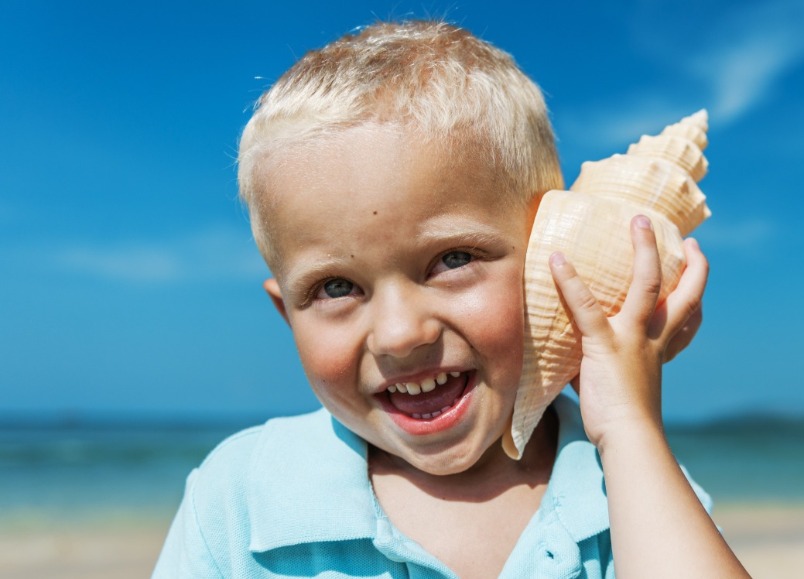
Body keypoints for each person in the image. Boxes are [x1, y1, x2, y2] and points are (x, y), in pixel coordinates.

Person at [153, 20, 748, 579]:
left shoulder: (632, 488)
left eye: (453, 260)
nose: (399, 334)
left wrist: (625, 426)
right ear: (288, 315)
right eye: (336, 287)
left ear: (544, 256)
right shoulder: (241, 497)